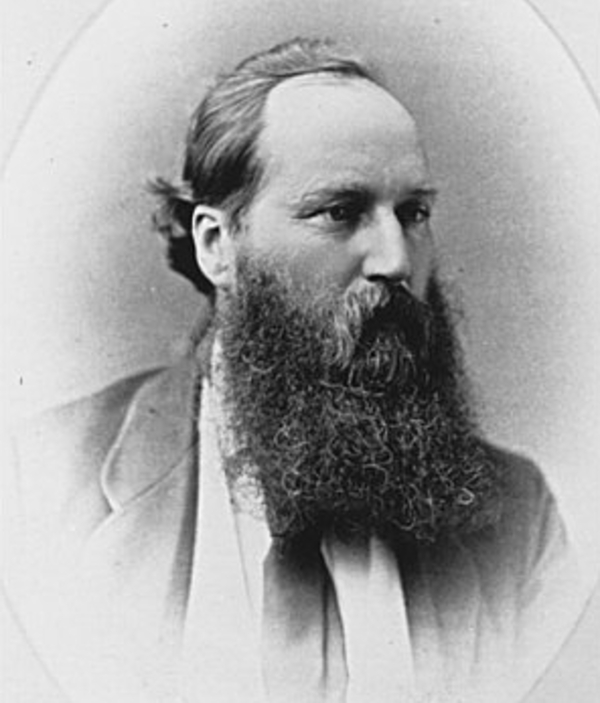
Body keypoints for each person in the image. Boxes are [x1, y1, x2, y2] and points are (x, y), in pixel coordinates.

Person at [2, 37, 581, 703]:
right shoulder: (35, 484)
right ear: (217, 245)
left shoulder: (518, 519)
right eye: (340, 212)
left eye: (413, 213)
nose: (396, 259)